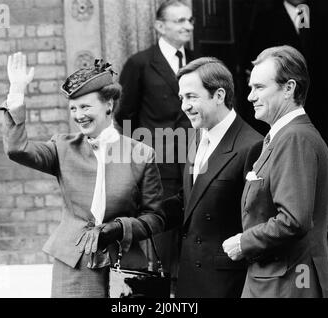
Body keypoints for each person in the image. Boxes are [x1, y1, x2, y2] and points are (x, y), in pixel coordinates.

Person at [0, 52, 165, 298]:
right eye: (73, 108)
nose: (78, 115)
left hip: (124, 265)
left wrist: (121, 227)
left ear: (109, 104)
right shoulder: (63, 147)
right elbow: (17, 149)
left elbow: (155, 217)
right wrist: (17, 92)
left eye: (85, 106)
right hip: (73, 265)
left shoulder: (141, 153)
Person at [223, 45, 328, 298]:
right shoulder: (283, 136)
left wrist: (244, 242)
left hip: (287, 285)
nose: (250, 96)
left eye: (260, 88)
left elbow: (295, 219)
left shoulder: (295, 138)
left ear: (289, 88)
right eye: (251, 87)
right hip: (279, 280)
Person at [162, 57, 262, 297]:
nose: (184, 106)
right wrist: (142, 211)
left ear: (219, 95)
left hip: (227, 283)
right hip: (189, 278)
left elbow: (258, 219)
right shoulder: (197, 137)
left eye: (191, 97)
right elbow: (191, 201)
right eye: (181, 98)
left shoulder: (253, 145)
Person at [115, 0, 196, 284]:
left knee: (192, 235)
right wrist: (135, 162)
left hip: (195, 163)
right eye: (179, 21)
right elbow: (124, 114)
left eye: (190, 20)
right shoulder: (140, 63)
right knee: (162, 237)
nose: (187, 26)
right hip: (159, 167)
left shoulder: (199, 62)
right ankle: (165, 293)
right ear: (160, 26)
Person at [242, 0, 328, 140]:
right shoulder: (266, 19)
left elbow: (326, 67)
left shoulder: (317, 18)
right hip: (280, 104)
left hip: (314, 105)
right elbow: (253, 64)